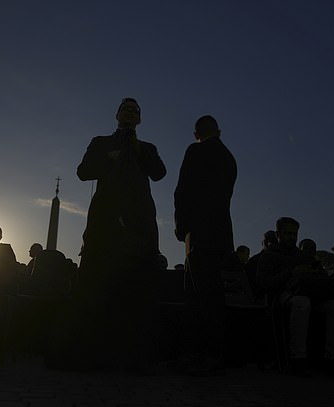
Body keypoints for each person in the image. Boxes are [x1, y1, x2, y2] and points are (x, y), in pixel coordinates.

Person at [47, 97, 166, 372]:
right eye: (125, 108)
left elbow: (159, 173)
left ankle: (134, 355)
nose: (129, 112)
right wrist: (106, 160)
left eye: (135, 110)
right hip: (105, 222)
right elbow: (82, 171)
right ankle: (89, 352)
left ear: (139, 119)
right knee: (95, 286)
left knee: (135, 288)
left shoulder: (146, 148)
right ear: (117, 114)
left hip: (139, 224)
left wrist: (138, 151)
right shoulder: (100, 142)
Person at [174, 114, 237, 375]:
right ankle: (215, 353)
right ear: (219, 131)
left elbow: (183, 190)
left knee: (198, 295)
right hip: (221, 234)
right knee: (214, 295)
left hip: (198, 232)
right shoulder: (229, 158)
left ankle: (199, 354)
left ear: (195, 133)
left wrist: (181, 226)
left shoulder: (195, 151)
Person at [257, 217, 334, 377]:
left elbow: (321, 276)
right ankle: (298, 358)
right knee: (301, 303)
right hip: (283, 295)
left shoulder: (304, 256)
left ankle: (333, 358)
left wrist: (314, 273)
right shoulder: (269, 256)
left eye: (294, 234)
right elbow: (264, 284)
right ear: (278, 234)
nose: (291, 237)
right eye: (287, 233)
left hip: (310, 293)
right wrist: (291, 272)